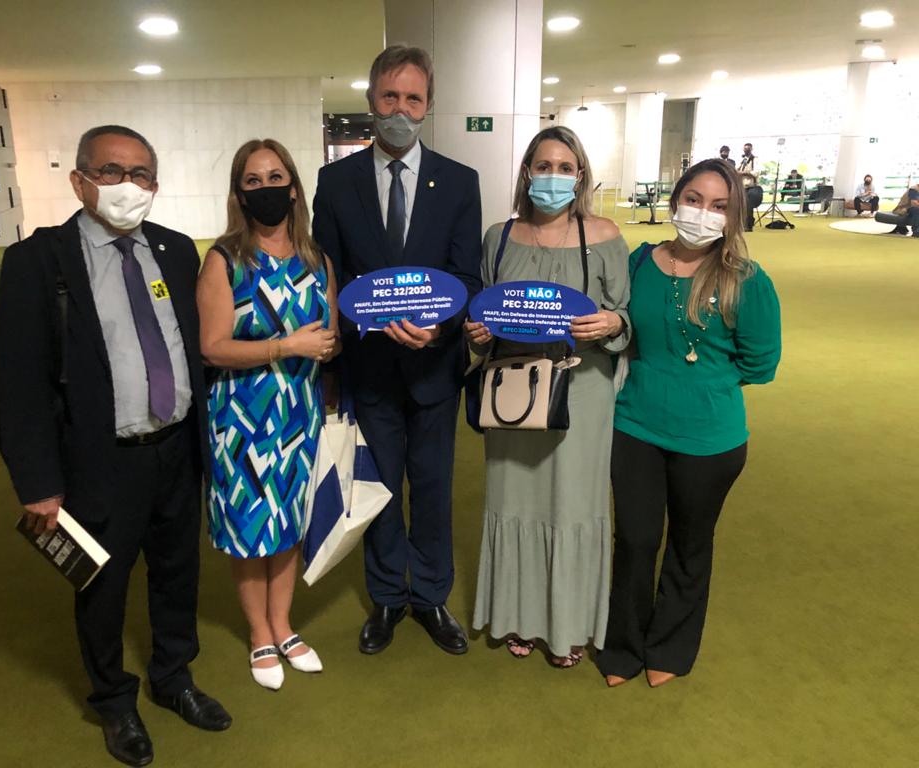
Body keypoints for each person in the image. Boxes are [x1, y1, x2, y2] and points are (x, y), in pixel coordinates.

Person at [0, 125, 231, 767]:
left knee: (178, 571)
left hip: (177, 449)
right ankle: (114, 699)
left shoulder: (176, 251)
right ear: (80, 182)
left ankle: (174, 678)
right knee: (102, 584)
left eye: (142, 174)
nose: (128, 185)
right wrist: (38, 482)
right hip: (100, 458)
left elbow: (194, 345)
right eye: (111, 171)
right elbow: (19, 381)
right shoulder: (38, 261)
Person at [312, 45, 482, 656]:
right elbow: (328, 276)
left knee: (432, 488)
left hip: (435, 368)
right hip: (369, 369)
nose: (400, 110)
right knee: (379, 486)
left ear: (428, 105)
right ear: (371, 100)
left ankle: (431, 596)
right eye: (390, 96)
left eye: (413, 98)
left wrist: (437, 329)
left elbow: (467, 278)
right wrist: (342, 351)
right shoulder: (336, 182)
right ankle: (386, 596)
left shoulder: (459, 182)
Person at [597, 158, 781, 688]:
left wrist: (702, 386)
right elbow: (621, 328)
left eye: (719, 206)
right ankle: (623, 645)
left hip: (710, 439)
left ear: (734, 216)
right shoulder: (639, 262)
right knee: (635, 539)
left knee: (690, 544)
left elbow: (761, 364)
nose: (703, 213)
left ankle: (670, 648)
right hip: (634, 425)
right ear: (676, 199)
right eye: (694, 200)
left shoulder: (746, 280)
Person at [465, 126, 630, 667]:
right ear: (526, 172)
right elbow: (484, 313)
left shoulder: (604, 235)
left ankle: (569, 624)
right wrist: (477, 332)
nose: (553, 177)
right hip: (514, 392)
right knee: (514, 499)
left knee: (573, 504)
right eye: (543, 166)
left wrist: (611, 322)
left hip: (581, 392)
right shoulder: (499, 236)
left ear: (579, 176)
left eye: (564, 167)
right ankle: (518, 616)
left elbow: (626, 316)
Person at [196, 139, 339, 690]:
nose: (266, 189)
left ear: (294, 188)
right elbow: (213, 347)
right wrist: (286, 346)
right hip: (242, 416)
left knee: (289, 523)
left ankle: (283, 624)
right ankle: (259, 632)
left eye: (275, 178)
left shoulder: (316, 259)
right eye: (253, 181)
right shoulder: (225, 259)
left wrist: (327, 348)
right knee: (250, 527)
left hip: (300, 412)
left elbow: (328, 336)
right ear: (239, 194)